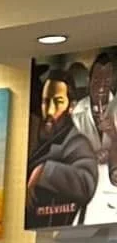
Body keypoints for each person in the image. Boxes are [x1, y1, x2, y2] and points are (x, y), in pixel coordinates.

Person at [27, 71, 100, 226]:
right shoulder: (36, 136)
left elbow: (87, 183)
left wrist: (44, 171)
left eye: (58, 102)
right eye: (45, 102)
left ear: (71, 106)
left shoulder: (76, 142)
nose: (50, 111)